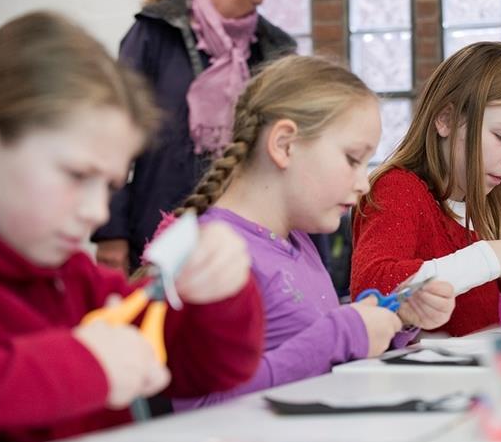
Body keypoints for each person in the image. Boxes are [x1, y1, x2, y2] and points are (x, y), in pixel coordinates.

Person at [0, 12, 265, 442]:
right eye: (77, 174)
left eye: (111, 186)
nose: (98, 212)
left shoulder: (81, 283)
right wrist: (83, 366)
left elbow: (212, 371)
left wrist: (224, 293)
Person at [167, 56, 455, 408]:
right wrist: (343, 333)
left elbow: (319, 364)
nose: (365, 183)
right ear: (285, 144)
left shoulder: (298, 242)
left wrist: (394, 321)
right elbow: (203, 407)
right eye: (353, 159)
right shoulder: (211, 252)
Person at [351, 42, 501, 338]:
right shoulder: (397, 188)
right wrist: (491, 258)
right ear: (445, 119)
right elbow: (372, 289)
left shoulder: (481, 203)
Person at [93, 0, 296, 274]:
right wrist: (111, 232)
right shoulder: (153, 33)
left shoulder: (276, 49)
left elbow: (294, 157)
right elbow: (111, 136)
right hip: (155, 237)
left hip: (247, 246)